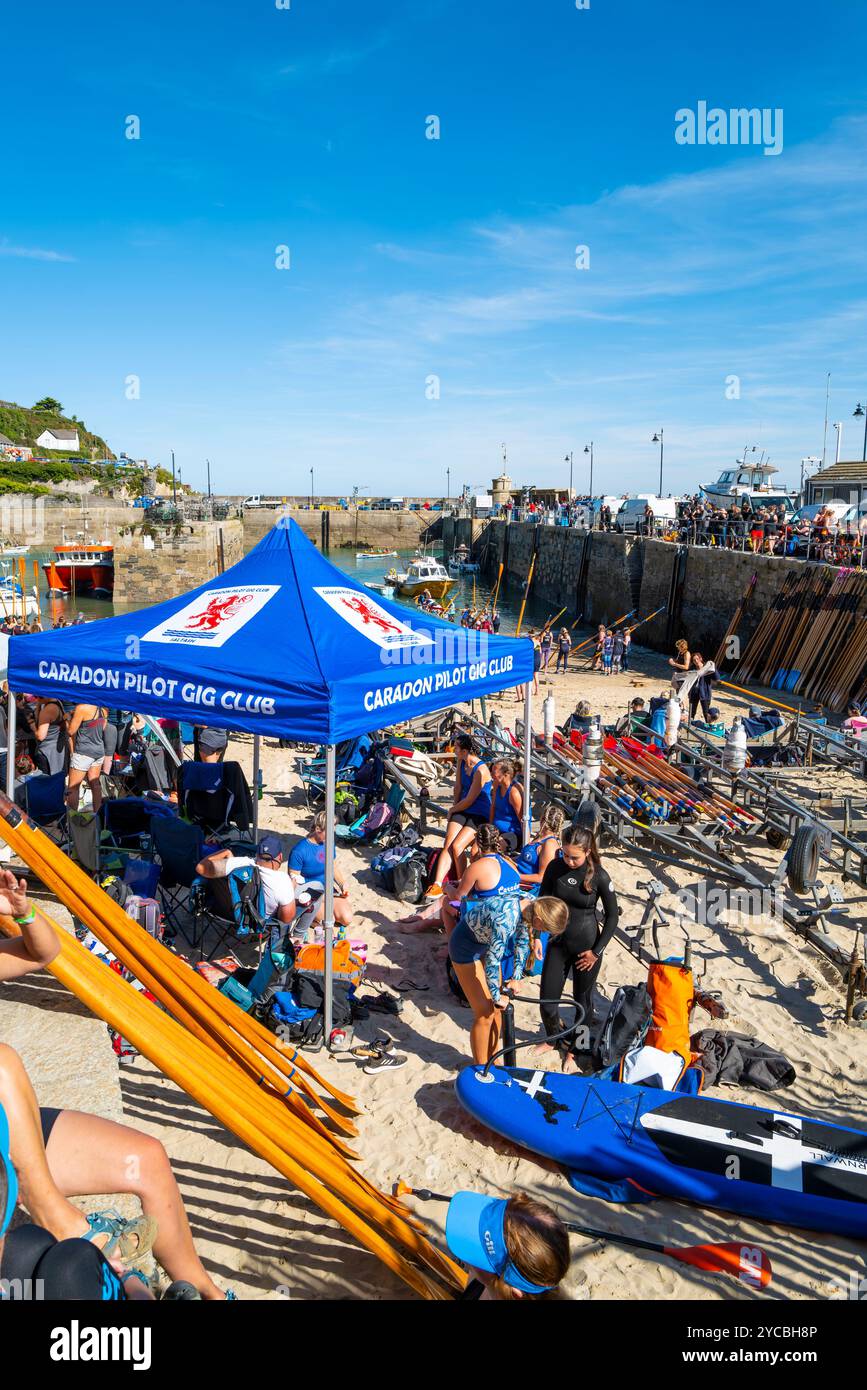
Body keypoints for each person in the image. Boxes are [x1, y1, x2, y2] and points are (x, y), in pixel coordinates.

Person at [0, 870, 228, 1299]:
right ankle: (57, 1216)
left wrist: (23, 911)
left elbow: (43, 952)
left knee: (147, 1157)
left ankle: (203, 1288)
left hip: (9, 1121)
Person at [443, 825, 567, 1063]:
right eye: (545, 930)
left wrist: (517, 977)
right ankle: (481, 1067)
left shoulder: (530, 903)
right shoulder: (506, 920)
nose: (544, 934)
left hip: (484, 941)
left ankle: (494, 1056)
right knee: (484, 1011)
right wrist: (496, 994)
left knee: (497, 1011)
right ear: (540, 919)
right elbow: (492, 960)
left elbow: (522, 941)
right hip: (466, 948)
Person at [537, 825, 619, 1073]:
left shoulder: (599, 876)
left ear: (588, 851)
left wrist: (597, 952)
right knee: (547, 1002)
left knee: (582, 1003)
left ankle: (577, 1049)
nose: (570, 861)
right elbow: (541, 902)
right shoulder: (555, 868)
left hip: (587, 949)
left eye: (575, 857)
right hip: (558, 944)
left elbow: (613, 916)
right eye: (565, 854)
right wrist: (534, 938)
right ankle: (554, 1038)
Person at [447, 1191, 571, 1301]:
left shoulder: (485, 1281)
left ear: (515, 1294)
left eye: (477, 1252)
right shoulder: (489, 1281)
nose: (466, 1260)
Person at [425, 734, 492, 899]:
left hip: (479, 813)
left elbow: (470, 799)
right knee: (448, 842)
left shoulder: (480, 770)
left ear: (464, 750)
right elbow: (458, 787)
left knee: (457, 847)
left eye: (456, 747)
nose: (453, 750)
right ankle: (437, 884)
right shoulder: (462, 762)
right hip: (463, 808)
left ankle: (463, 883)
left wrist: (452, 809)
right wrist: (455, 809)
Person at [196, 832, 297, 927]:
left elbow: (200, 868)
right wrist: (291, 891)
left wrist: (225, 852)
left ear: (257, 854)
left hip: (227, 912)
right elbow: (285, 919)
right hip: (257, 923)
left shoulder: (240, 863)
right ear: (280, 857)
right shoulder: (284, 882)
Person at [287, 812, 353, 928]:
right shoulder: (299, 851)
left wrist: (342, 884)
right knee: (329, 921)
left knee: (346, 919)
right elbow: (293, 884)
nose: (332, 833)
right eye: (329, 830)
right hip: (310, 895)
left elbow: (332, 867)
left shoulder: (328, 844)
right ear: (318, 829)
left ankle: (314, 917)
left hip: (328, 891)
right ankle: (309, 919)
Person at [65, 702, 106, 814]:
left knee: (73, 787)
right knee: (95, 784)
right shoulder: (103, 708)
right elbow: (102, 727)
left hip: (83, 752)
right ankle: (98, 816)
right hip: (98, 751)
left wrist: (68, 719)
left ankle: (72, 820)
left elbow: (71, 731)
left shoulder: (81, 708)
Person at [515, 803, 564, 893]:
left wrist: (515, 875)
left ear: (543, 819)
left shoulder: (550, 844)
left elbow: (541, 877)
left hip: (527, 889)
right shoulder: (540, 837)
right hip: (520, 882)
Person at [488, 758, 524, 852]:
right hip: (497, 830)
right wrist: (490, 828)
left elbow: (522, 819)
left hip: (513, 833)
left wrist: (525, 843)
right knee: (475, 850)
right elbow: (493, 807)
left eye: (494, 771)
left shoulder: (513, 792)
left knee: (494, 848)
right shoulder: (497, 785)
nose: (491, 774)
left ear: (506, 774)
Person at [31, 696, 67, 776]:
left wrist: (32, 726)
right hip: (57, 749)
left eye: (37, 696)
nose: (36, 698)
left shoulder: (48, 709)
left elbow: (41, 736)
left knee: (47, 782)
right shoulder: (57, 701)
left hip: (47, 751)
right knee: (57, 778)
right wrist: (39, 705)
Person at [686, 651, 718, 724]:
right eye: (694, 660)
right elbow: (687, 680)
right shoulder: (692, 668)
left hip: (704, 693)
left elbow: (716, 678)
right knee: (692, 711)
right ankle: (690, 725)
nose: (696, 661)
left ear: (700, 658)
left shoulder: (707, 668)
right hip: (694, 692)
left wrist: (714, 667)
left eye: (697, 659)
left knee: (706, 712)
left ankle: (708, 727)